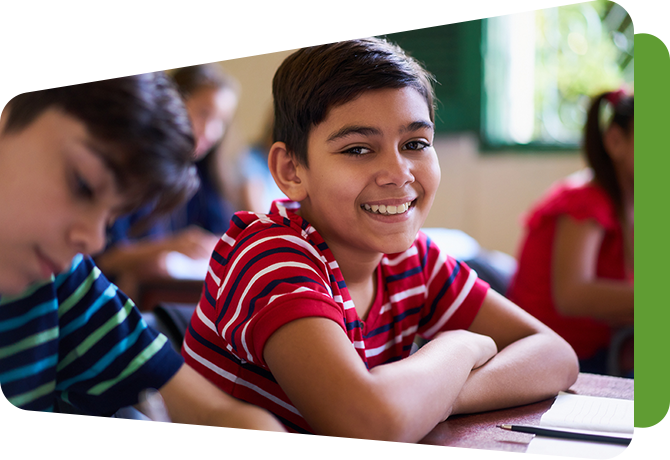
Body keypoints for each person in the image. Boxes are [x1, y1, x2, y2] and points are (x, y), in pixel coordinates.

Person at [182, 32, 579, 459]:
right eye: (357, 149)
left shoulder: (412, 259)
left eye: (415, 144)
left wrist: (435, 396)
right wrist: (459, 346)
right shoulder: (268, 256)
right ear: (291, 169)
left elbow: (555, 356)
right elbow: (369, 426)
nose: (398, 171)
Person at [0, 1, 305, 459]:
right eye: (83, 184)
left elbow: (219, 418)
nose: (96, 239)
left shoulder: (60, 286)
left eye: (110, 215)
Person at [507, 90, 634, 375]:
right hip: (553, 354)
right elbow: (571, 295)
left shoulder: (631, 205)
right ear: (615, 141)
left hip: (601, 347)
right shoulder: (586, 200)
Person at [96, 59, 240, 299]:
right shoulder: (133, 169)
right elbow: (106, 257)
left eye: (221, 122)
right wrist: (171, 246)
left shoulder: (205, 175)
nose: (211, 131)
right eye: (204, 113)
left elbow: (220, 235)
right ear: (172, 104)